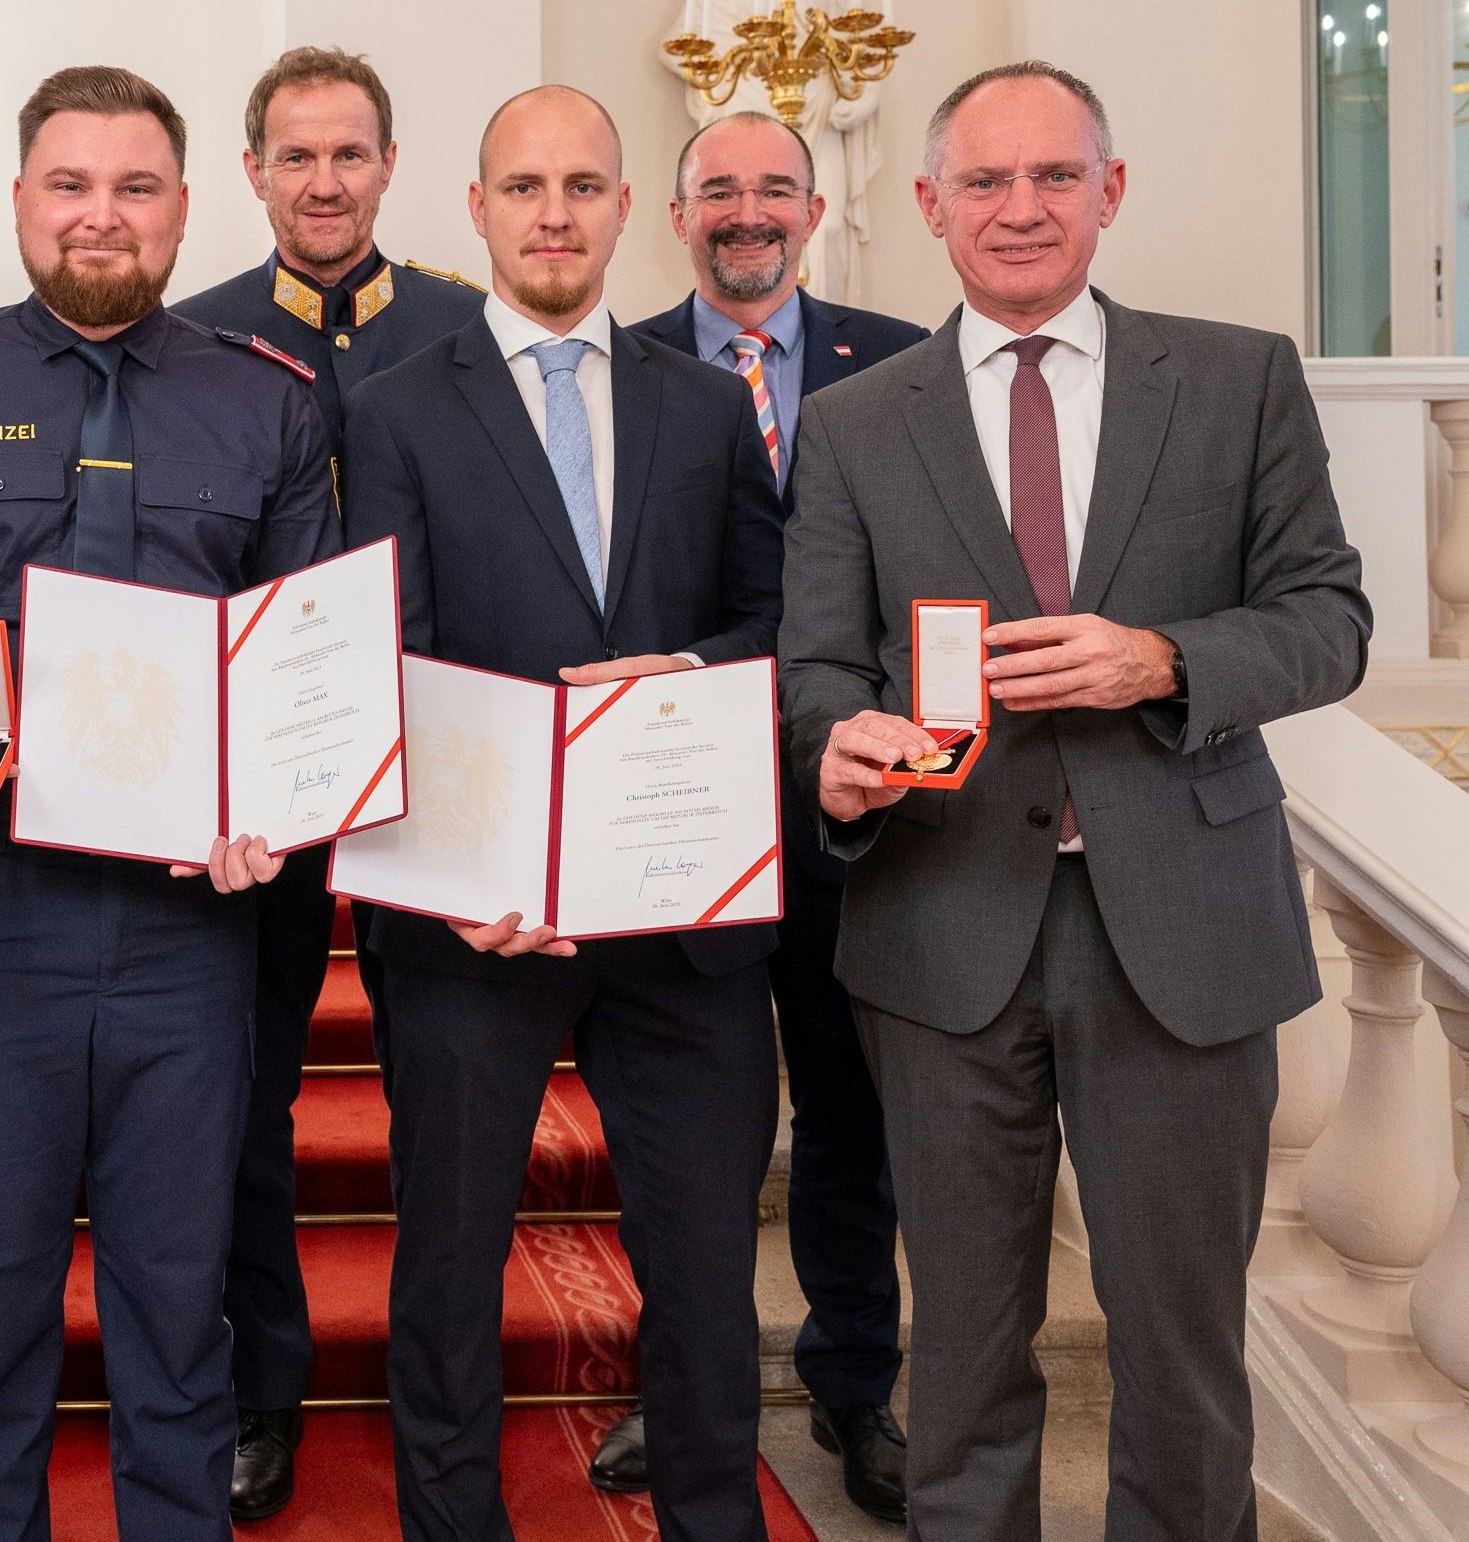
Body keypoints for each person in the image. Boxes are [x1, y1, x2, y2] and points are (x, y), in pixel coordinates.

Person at [781, 61, 1369, 1542]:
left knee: (1181, 1351)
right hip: (941, 928)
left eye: (1054, 175)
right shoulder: (854, 422)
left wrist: (1163, 659)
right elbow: (816, 669)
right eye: (984, 181)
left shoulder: (1237, 378)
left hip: (1183, 928)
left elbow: (1328, 618)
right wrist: (834, 748)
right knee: (964, 1353)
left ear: (1110, 191)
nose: (1021, 207)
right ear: (930, 205)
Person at [0, 65, 336, 1542]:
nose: (100, 215)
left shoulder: (269, 399)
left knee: (177, 1312)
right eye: (70, 184)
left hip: (192, 928)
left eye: (133, 186)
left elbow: (309, 653)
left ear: (183, 206)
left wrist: (278, 792)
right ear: (19, 200)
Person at [340, 84, 784, 1542]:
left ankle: (713, 1520)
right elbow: (387, 661)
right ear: (475, 209)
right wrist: (448, 873)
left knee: (705, 1273)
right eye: (523, 187)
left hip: (681, 919)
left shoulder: (704, 404)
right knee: (449, 1265)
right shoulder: (394, 408)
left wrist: (689, 672)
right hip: (477, 924)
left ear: (627, 210)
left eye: (582, 186)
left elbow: (773, 620)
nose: (552, 214)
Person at [166, 48, 481, 1517]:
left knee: (452, 1104)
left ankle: (445, 1398)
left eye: (349, 153)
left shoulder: (467, 330)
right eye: (294, 156)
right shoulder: (191, 341)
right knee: (249, 1102)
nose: (324, 181)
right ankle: (260, 1390)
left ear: (389, 164)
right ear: (252, 173)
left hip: (445, 774)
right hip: (265, 795)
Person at [604, 108, 927, 1520]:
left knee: (851, 1118)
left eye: (774, 188)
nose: (748, 211)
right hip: (683, 815)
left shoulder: (904, 363)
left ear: (815, 208)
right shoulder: (618, 371)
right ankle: (680, 1392)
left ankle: (855, 1386)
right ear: (677, 214)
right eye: (719, 188)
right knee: (689, 1141)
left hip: (856, 816)